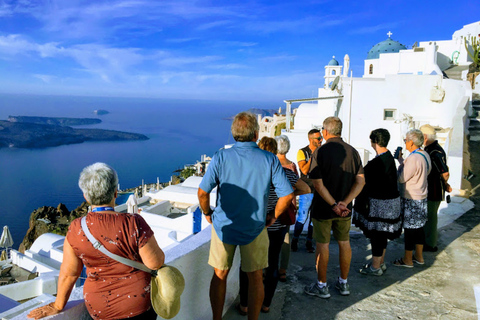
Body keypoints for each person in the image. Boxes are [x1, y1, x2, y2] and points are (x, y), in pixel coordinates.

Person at [28, 163, 165, 320]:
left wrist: (57, 305)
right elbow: (154, 263)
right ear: (115, 193)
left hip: (100, 309)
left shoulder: (76, 229)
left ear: (86, 197)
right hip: (138, 305)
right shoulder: (133, 222)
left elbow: (69, 274)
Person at [197, 112, 294, 320]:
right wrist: (273, 217)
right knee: (256, 277)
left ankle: (216, 318)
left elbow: (202, 192)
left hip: (224, 226)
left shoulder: (221, 157)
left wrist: (207, 213)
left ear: (233, 133)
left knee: (219, 275)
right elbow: (287, 195)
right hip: (256, 227)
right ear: (256, 134)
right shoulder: (269, 159)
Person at [238, 137, 310, 314]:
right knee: (272, 265)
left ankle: (245, 304)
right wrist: (288, 195)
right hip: (277, 226)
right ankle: (266, 304)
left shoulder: (250, 172)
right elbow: (306, 189)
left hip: (254, 225)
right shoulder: (285, 173)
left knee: (247, 266)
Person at [304, 116, 364, 298]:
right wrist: (344, 203)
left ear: (326, 131)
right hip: (345, 210)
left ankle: (322, 286)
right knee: (344, 243)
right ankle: (343, 284)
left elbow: (318, 184)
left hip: (324, 208)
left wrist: (333, 204)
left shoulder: (320, 152)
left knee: (323, 245)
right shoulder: (353, 152)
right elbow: (361, 182)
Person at [353, 129, 402, 276]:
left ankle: (375, 267)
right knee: (383, 234)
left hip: (379, 204)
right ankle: (380, 263)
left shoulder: (377, 162)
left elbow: (363, 180)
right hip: (391, 203)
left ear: (374, 142)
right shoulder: (388, 158)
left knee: (376, 236)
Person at [394, 129, 431, 268]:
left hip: (411, 197)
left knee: (409, 229)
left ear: (411, 141)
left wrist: (400, 165)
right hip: (422, 196)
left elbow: (402, 178)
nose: (405, 143)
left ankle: (407, 259)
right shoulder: (424, 155)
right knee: (419, 227)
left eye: (405, 141)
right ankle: (419, 256)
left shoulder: (413, 158)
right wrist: (401, 160)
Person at [420, 124, 451, 252]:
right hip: (431, 189)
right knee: (428, 217)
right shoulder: (431, 150)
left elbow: (444, 172)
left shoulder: (434, 152)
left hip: (434, 190)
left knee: (431, 218)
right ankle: (427, 241)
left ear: (425, 137)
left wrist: (445, 183)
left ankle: (430, 244)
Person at [292, 129, 322, 253]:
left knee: (314, 219)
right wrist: (313, 155)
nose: (321, 140)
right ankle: (295, 240)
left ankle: (309, 242)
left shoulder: (323, 152)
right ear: (311, 140)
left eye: (321, 138)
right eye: (318, 139)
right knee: (302, 217)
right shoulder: (302, 152)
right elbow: (304, 170)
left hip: (319, 190)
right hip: (307, 189)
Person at [275, 135, 299, 282]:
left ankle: (268, 269)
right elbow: (297, 185)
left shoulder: (271, 164)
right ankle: (282, 270)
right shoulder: (292, 166)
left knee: (270, 240)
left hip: (273, 206)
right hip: (288, 206)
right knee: (285, 239)